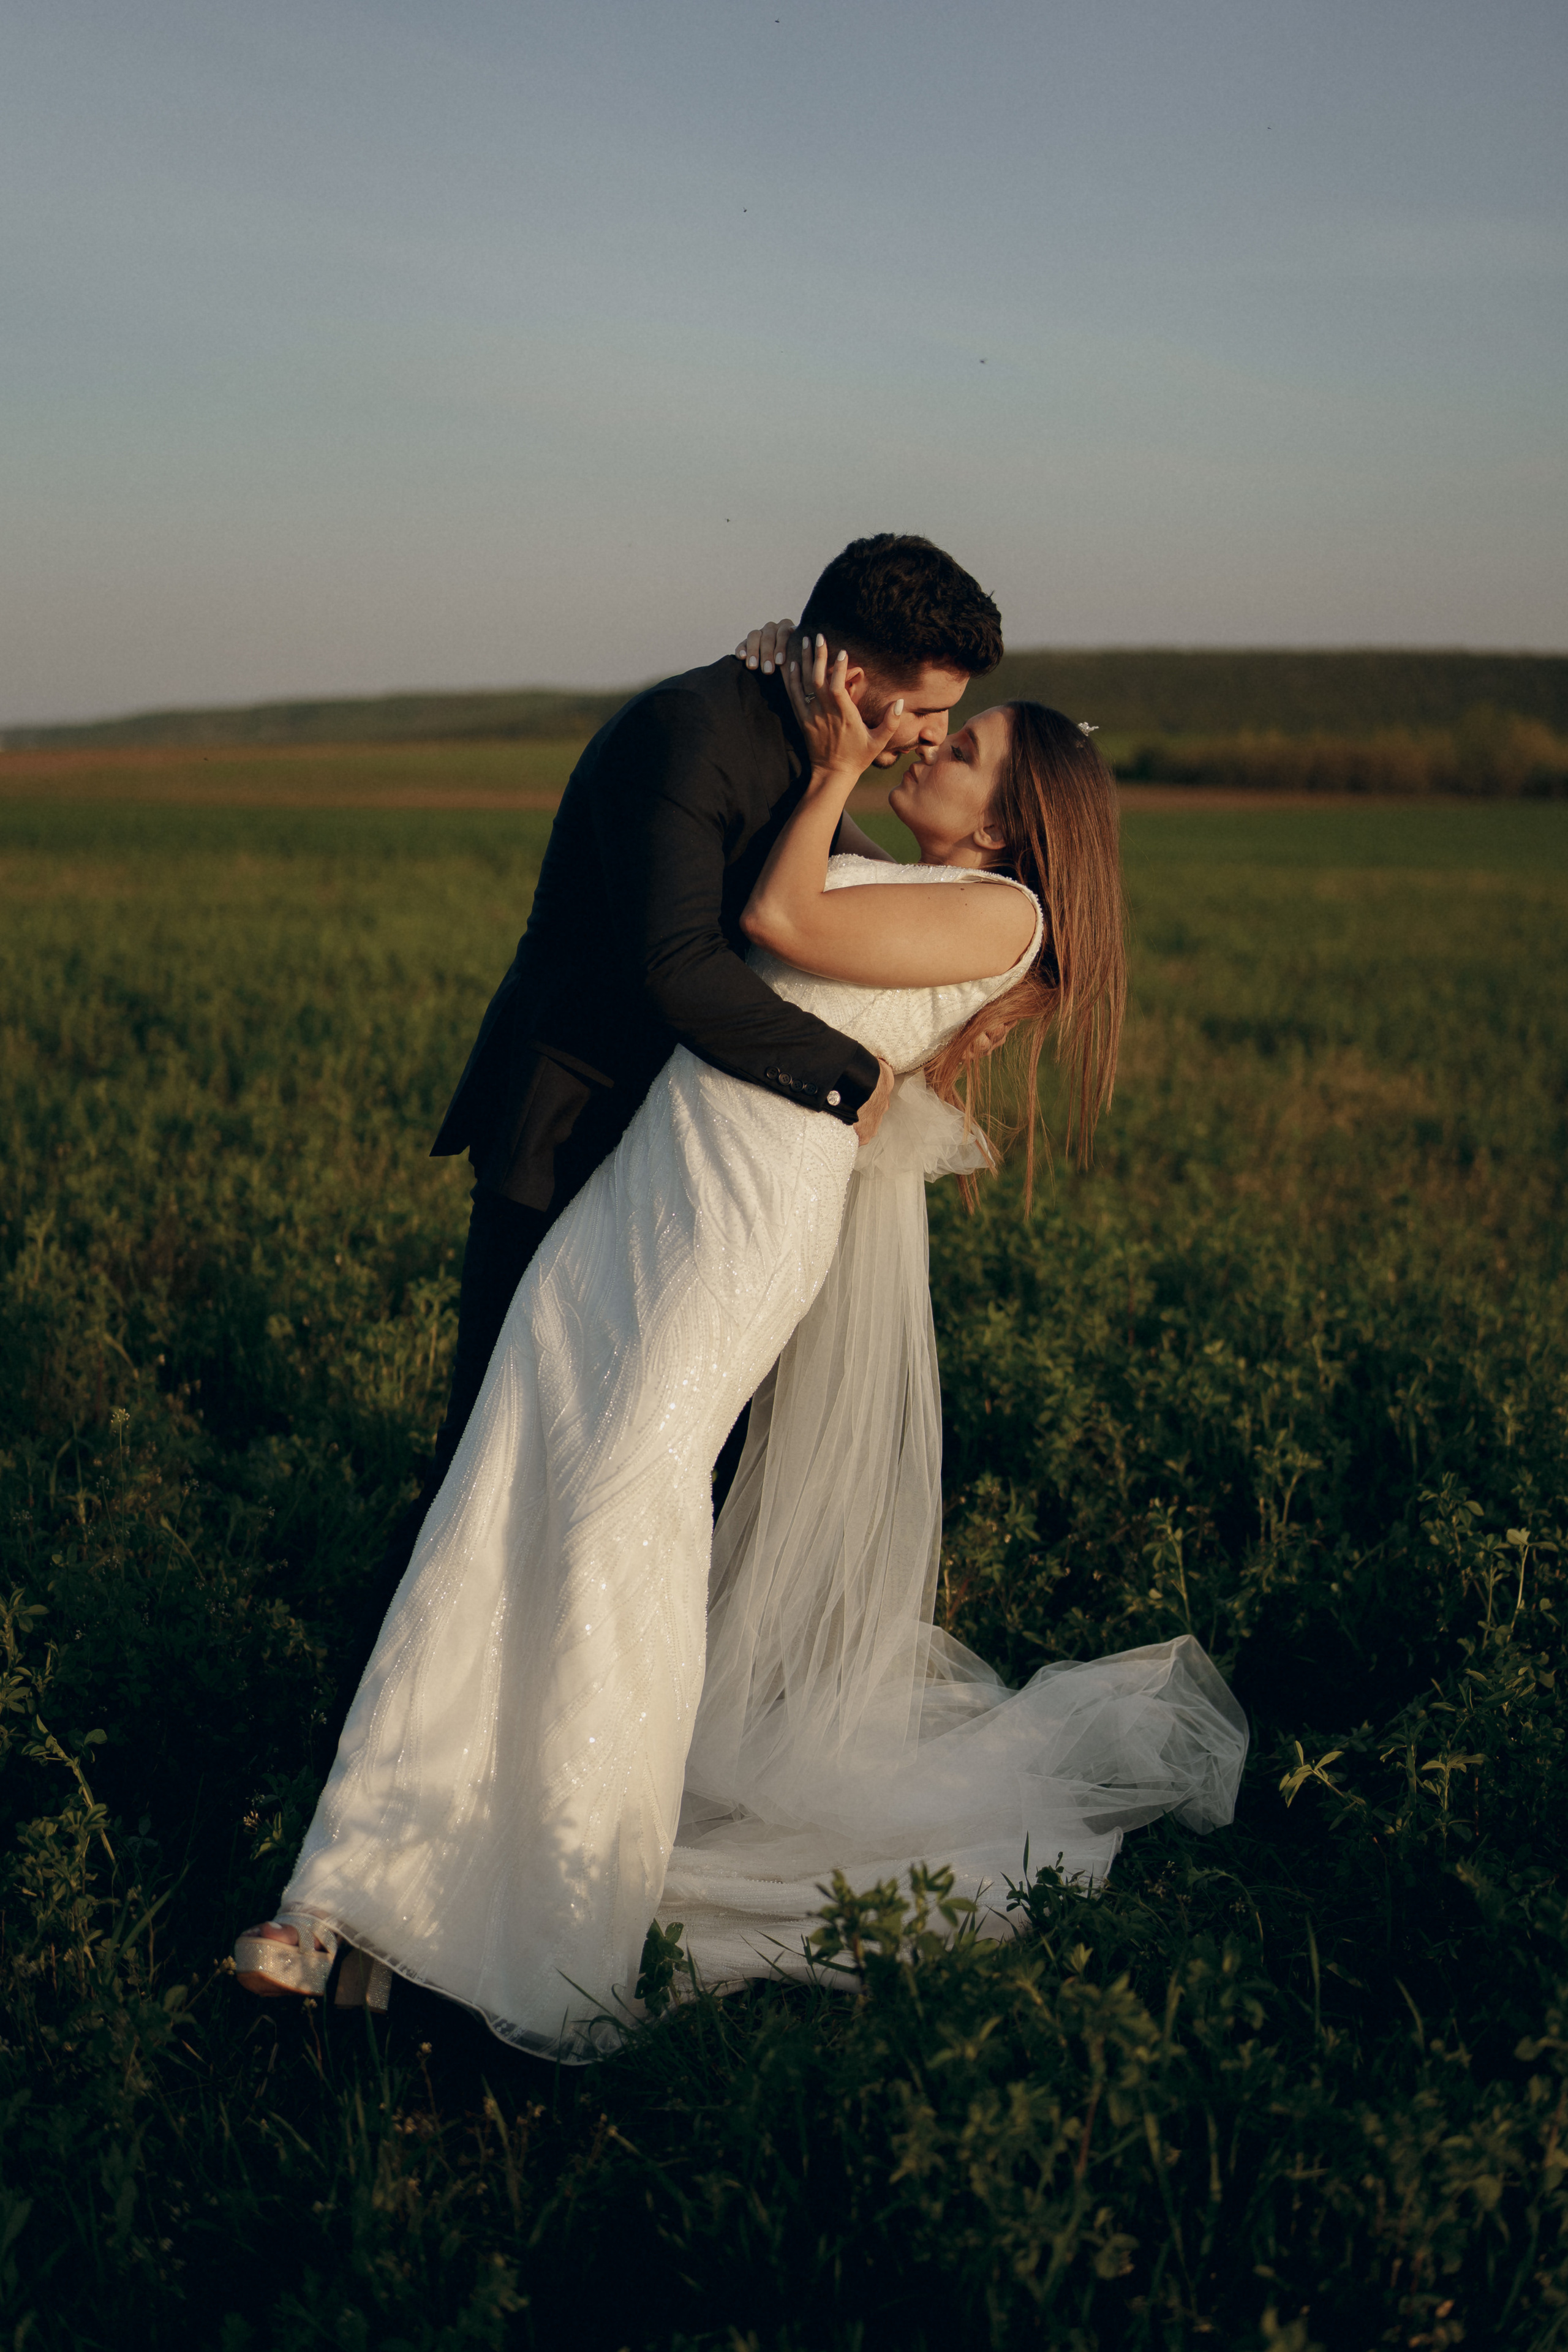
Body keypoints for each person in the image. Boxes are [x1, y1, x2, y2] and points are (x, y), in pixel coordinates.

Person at [235, 627, 1248, 2052]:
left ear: (1018, 819)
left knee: (612, 1523)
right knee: (497, 1494)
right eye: (931, 729)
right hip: (640, 1191)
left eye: (959, 750)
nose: (925, 750)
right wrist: (784, 691)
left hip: (736, 1224)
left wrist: (830, 765)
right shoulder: (925, 879)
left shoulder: (1001, 917)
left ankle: (563, 1894)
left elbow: (774, 925)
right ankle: (341, 1896)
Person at [322, 535, 1001, 1742]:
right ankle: (372, 1753)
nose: (925, 739)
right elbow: (676, 968)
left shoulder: (819, 753)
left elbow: (849, 925)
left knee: (653, 1470)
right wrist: (856, 1082)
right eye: (928, 711)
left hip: (690, 1168)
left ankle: (580, 1743)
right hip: (573, 1125)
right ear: (854, 673)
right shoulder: (689, 733)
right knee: (494, 1456)